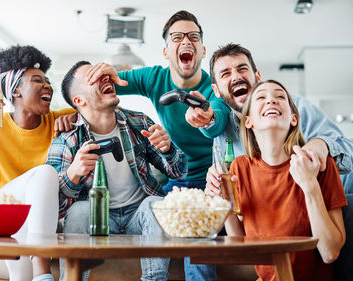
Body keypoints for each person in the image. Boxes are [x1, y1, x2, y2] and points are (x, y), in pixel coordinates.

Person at [82, 11, 230, 280]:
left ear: (202, 49)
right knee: (150, 209)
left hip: (211, 184)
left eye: (193, 37)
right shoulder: (155, 78)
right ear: (166, 50)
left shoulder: (213, 88)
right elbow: (108, 86)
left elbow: (218, 121)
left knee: (196, 235)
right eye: (177, 37)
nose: (186, 41)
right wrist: (74, 109)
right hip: (176, 181)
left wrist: (206, 118)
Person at [205, 43, 353, 281]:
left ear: (295, 118)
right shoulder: (239, 167)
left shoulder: (320, 166)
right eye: (262, 98)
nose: (271, 101)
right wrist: (223, 205)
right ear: (248, 121)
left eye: (280, 97)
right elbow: (240, 247)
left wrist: (310, 182)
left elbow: (329, 253)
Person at [46, 61, 187, 281]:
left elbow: (179, 172)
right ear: (79, 100)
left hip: (138, 216)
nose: (104, 78)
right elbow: (54, 208)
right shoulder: (65, 141)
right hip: (98, 220)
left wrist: (168, 149)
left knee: (155, 204)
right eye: (92, 77)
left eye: (104, 74)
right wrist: (73, 175)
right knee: (79, 211)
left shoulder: (138, 121)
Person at [0, 45, 75, 281]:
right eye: (37, 80)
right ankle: (43, 272)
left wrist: (81, 115)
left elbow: (106, 112)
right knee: (45, 173)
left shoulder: (58, 120)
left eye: (48, 81)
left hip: (39, 218)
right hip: (8, 212)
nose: (48, 85)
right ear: (16, 90)